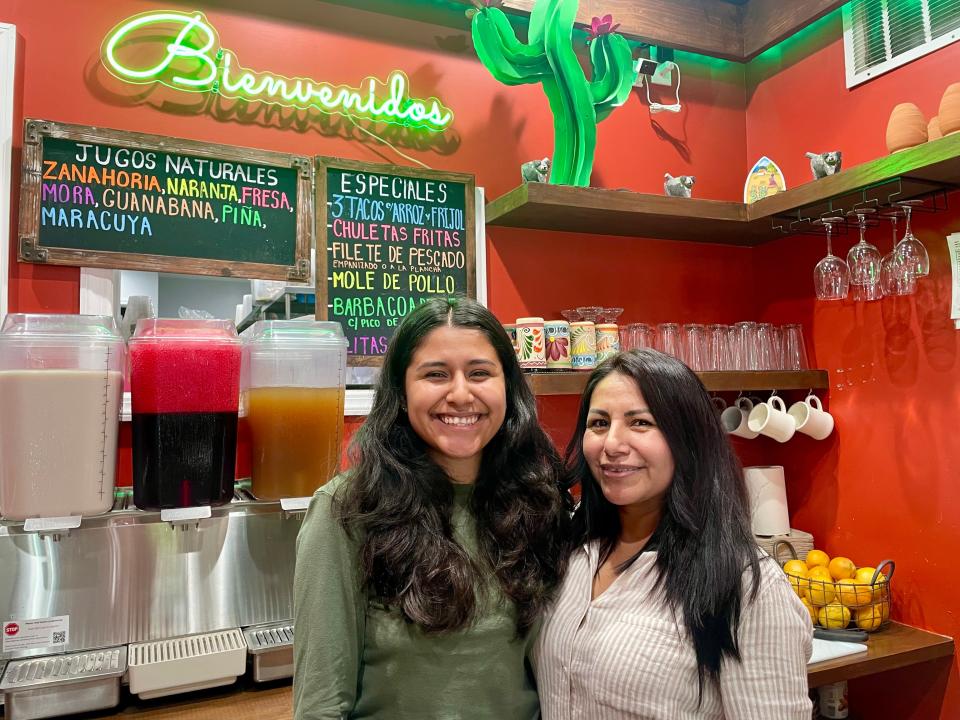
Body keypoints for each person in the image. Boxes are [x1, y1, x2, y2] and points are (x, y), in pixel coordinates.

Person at [294, 297, 570, 720]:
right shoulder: (345, 511)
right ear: (402, 394)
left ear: (508, 388)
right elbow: (321, 703)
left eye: (480, 373)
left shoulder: (538, 503)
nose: (461, 395)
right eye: (435, 374)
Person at [533, 349, 812, 719]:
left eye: (640, 423)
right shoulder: (573, 551)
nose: (612, 445)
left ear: (688, 440)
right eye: (599, 423)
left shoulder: (744, 586)